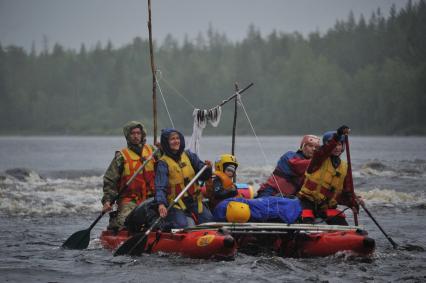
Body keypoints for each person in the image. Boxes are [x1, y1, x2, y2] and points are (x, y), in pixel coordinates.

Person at [101, 121, 157, 232]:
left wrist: (163, 148)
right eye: (132, 133)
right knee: (125, 224)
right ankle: (116, 224)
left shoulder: (154, 151)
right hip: (129, 200)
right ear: (128, 136)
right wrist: (107, 201)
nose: (136, 136)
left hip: (151, 198)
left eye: (138, 133)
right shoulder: (121, 156)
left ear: (142, 134)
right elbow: (110, 180)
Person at [297, 125, 358, 225]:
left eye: (339, 145)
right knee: (306, 220)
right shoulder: (319, 158)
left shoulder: (345, 167)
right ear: (327, 145)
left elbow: (347, 191)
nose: (337, 148)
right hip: (307, 202)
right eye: (334, 145)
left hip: (327, 206)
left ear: (343, 146)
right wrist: (337, 135)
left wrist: (353, 204)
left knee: (342, 225)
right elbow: (325, 150)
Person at [155, 128, 213, 229]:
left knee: (209, 220)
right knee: (181, 225)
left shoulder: (189, 155)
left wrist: (208, 168)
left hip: (194, 200)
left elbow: (204, 176)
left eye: (177, 138)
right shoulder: (163, 163)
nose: (176, 141)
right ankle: (165, 226)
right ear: (166, 142)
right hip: (176, 203)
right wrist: (161, 204)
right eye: (172, 139)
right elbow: (160, 186)